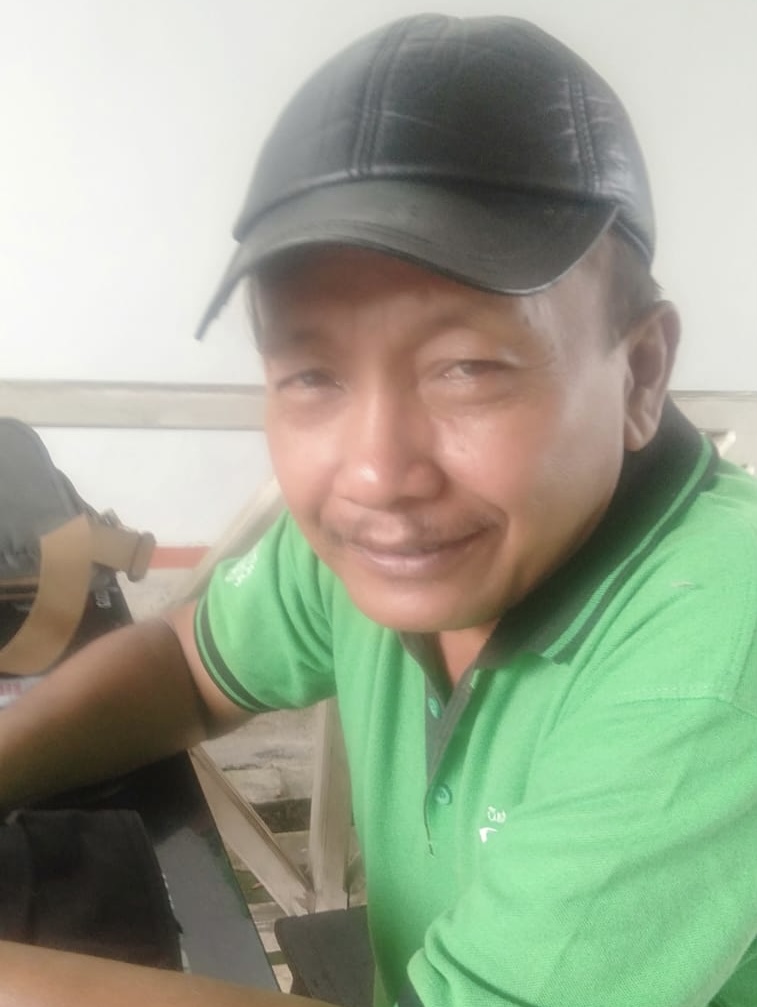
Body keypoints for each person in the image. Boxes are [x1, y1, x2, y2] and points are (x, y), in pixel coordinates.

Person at [1, 13, 756, 1007]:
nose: (375, 471)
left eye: (466, 367)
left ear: (641, 372)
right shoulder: (391, 542)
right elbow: (189, 665)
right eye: (312, 373)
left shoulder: (718, 661)